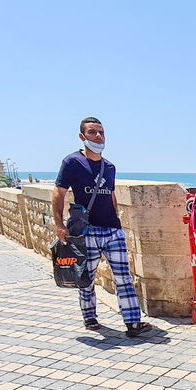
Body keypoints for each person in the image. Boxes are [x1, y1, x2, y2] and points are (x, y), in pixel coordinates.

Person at [52, 116, 152, 338]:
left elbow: (112, 194)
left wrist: (116, 219)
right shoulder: (72, 162)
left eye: (101, 132)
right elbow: (58, 193)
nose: (98, 136)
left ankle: (133, 322)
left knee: (123, 277)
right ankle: (90, 317)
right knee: (87, 277)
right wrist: (59, 224)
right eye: (92, 132)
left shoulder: (109, 167)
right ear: (82, 136)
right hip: (86, 231)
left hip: (111, 229)